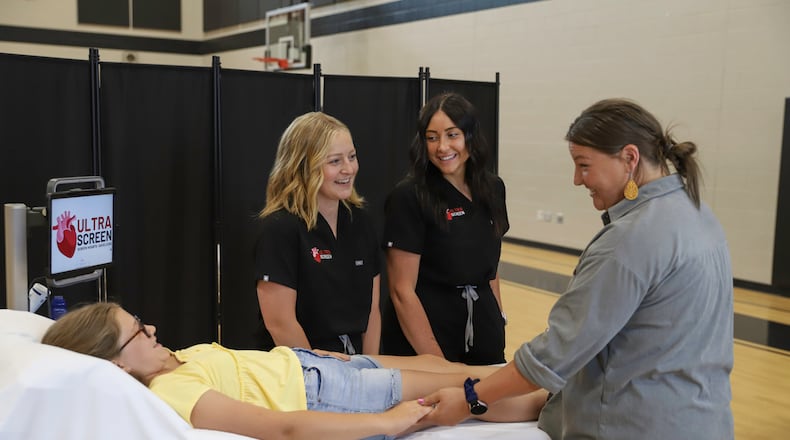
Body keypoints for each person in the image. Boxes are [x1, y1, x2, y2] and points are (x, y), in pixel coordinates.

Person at [420, 98, 735, 440]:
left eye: (584, 165)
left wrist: (469, 400)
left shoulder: (631, 239)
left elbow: (552, 356)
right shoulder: (698, 214)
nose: (577, 179)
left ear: (629, 158)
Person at [41, 302, 547, 440]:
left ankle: (557, 382)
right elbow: (280, 427)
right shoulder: (173, 390)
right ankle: (564, 402)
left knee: (446, 367)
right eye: (139, 333)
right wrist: (388, 421)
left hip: (319, 369)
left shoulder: (178, 359)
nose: (151, 328)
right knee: (467, 391)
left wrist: (329, 358)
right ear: (115, 365)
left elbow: (255, 368)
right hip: (326, 393)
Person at [381, 92, 509, 365]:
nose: (442, 147)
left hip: (482, 329)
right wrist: (437, 362)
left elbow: (491, 270)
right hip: (429, 334)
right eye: (432, 137)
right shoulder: (409, 197)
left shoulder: (493, 188)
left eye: (452, 135)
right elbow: (402, 291)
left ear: (470, 136)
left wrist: (498, 320)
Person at [254, 112, 381, 355]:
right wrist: (326, 376)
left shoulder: (361, 222)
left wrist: (371, 370)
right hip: (303, 371)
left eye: (352, 157)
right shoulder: (280, 229)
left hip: (356, 368)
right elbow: (280, 324)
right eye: (335, 161)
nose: (349, 169)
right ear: (303, 167)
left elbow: (372, 313)